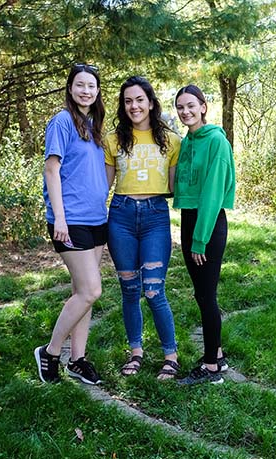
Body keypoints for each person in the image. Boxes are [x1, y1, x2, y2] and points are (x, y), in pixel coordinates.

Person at [105, 76, 182, 380]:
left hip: (155, 217)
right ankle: (135, 352)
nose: (134, 106)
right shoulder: (112, 139)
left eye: (139, 99)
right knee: (129, 290)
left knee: (153, 291)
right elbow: (104, 185)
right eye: (128, 101)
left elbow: (178, 186)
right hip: (121, 216)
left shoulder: (172, 141)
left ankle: (171, 356)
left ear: (150, 103)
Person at [35, 64, 108, 385]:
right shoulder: (62, 121)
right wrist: (59, 217)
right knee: (92, 290)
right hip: (71, 221)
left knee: (83, 292)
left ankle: (77, 360)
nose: (86, 91)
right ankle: (50, 352)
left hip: (96, 220)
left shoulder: (94, 125)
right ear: (70, 88)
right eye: (80, 85)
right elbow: (52, 170)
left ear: (97, 91)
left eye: (91, 86)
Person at [173, 85, 235, 385]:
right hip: (189, 219)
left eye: (190, 106)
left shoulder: (216, 142)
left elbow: (212, 192)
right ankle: (217, 353)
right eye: (180, 107)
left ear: (203, 107)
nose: (185, 112)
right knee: (200, 293)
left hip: (208, 222)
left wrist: (200, 239)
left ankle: (211, 368)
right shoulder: (188, 140)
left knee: (207, 295)